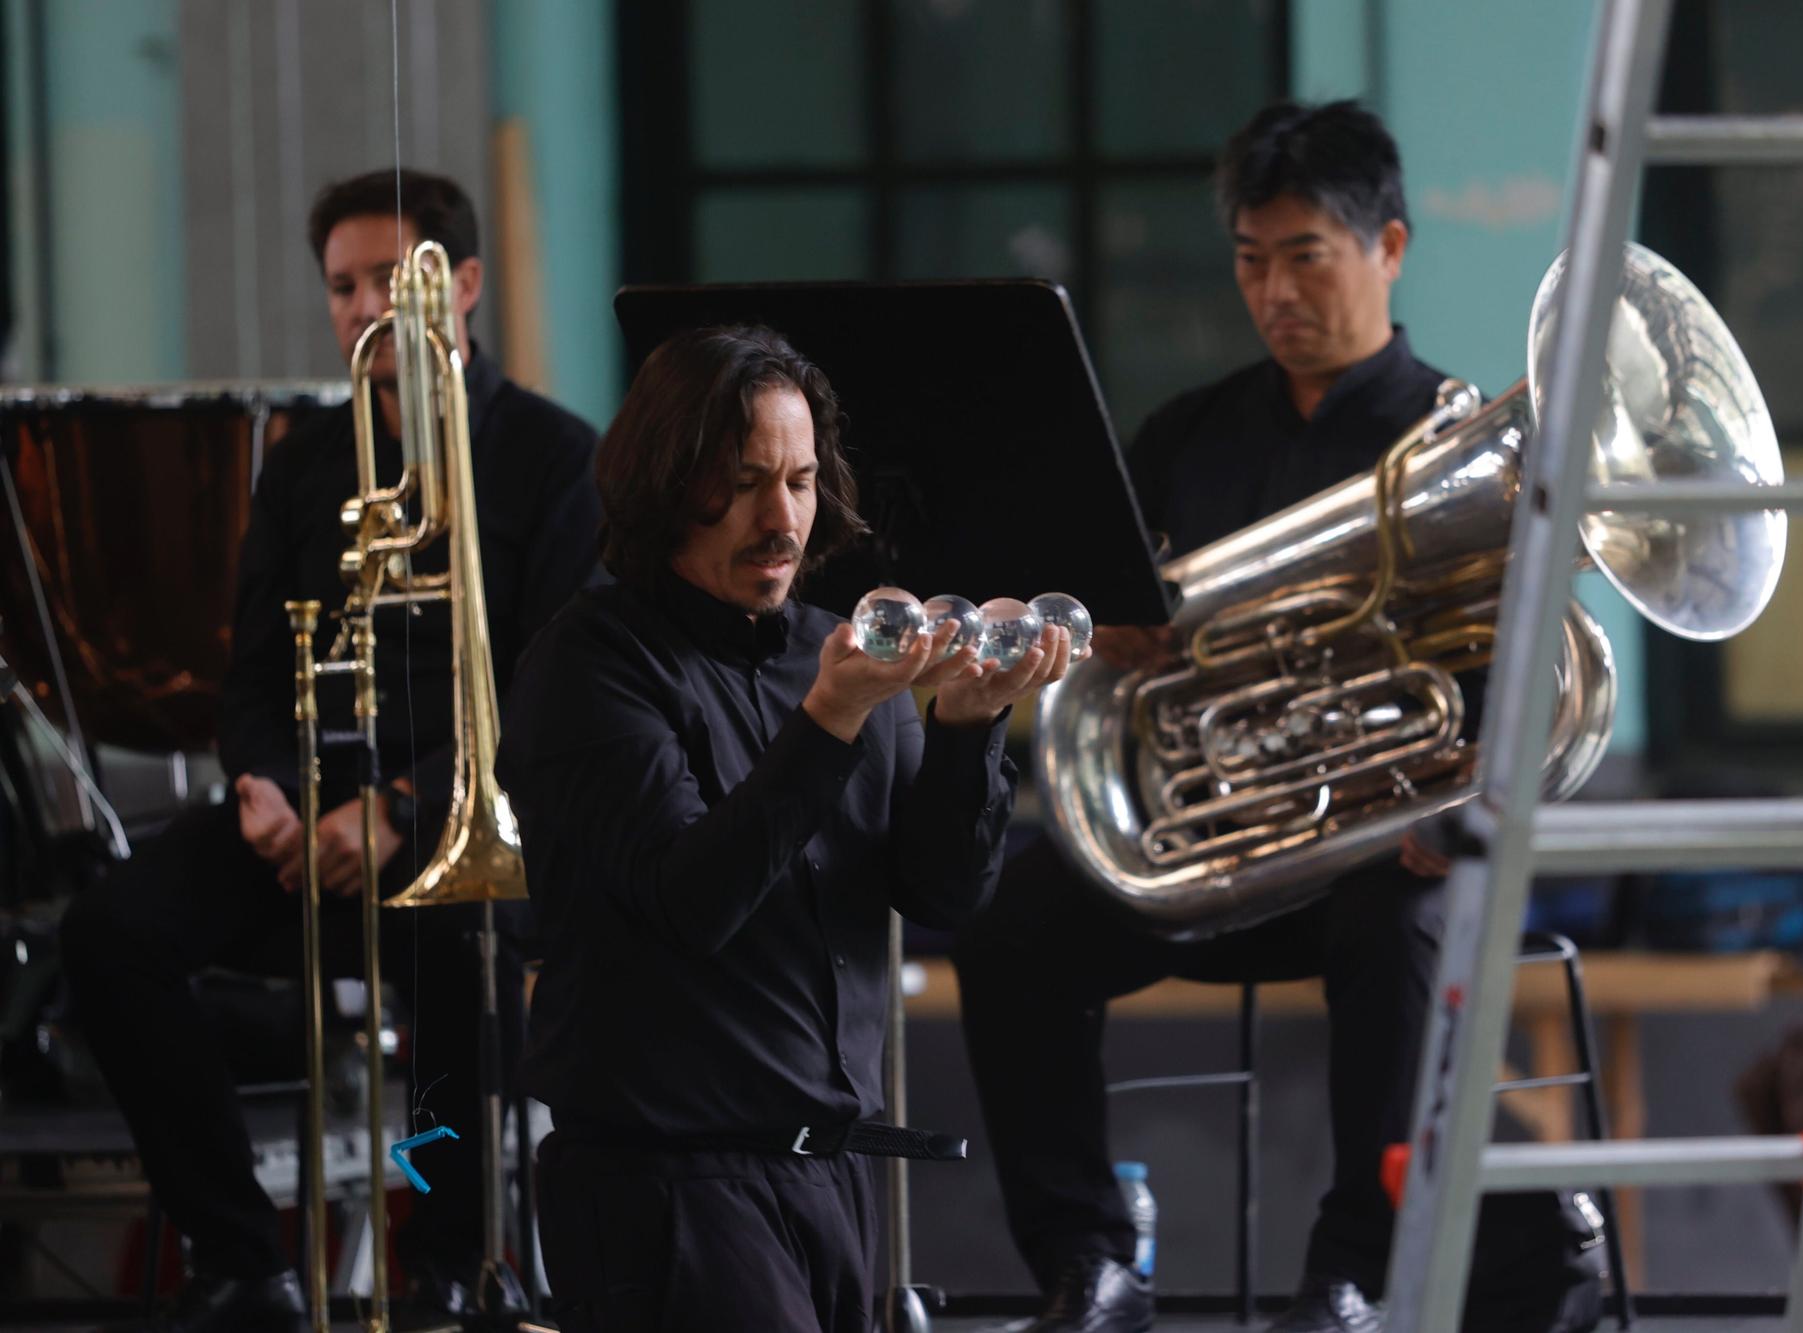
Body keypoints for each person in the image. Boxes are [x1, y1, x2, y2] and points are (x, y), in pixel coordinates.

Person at [952, 100, 1605, 1333]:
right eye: (1250, 261)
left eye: (1305, 255)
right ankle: (1085, 1261)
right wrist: (1110, 628)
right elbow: (1099, 632)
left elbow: (1525, 687)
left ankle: (1354, 1270)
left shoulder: (1456, 441)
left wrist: (1456, 801)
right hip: (1204, 849)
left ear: (1389, 248)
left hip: (1378, 863)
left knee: (1398, 919)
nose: (1273, 291)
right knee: (1005, 927)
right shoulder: (1182, 436)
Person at [59, 168, 602, 1333]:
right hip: (313, 809)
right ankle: (240, 1253)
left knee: (453, 958)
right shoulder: (306, 462)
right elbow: (252, 672)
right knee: (111, 935)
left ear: (458, 284)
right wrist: (262, 789)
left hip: (465, 816)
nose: (361, 308)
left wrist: (405, 807)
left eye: (384, 281)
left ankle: (445, 1255)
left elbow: (554, 701)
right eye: (341, 287)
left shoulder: (558, 459)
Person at [498, 322, 1078, 1332]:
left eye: (802, 480)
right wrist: (831, 719)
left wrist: (965, 729)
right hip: (665, 1186)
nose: (783, 519)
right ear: (666, 481)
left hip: (832, 1183)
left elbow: (940, 893)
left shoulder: (831, 649)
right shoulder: (589, 664)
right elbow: (694, 902)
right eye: (745, 480)